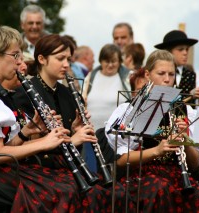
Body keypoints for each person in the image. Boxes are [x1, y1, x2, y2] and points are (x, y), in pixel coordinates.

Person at [0, 23, 101, 212]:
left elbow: (3, 147)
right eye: (15, 55)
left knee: (71, 184)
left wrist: (25, 133)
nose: (21, 62)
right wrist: (45, 142)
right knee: (60, 191)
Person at [13, 34, 126, 211]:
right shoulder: (23, 94)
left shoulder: (68, 94)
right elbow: (26, 145)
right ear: (42, 59)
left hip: (67, 166)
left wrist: (75, 130)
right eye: (60, 59)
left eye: (68, 59)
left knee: (116, 192)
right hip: (40, 168)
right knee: (89, 195)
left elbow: (69, 140)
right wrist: (73, 139)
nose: (67, 64)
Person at [105, 49, 199, 212]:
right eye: (161, 73)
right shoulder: (130, 110)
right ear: (147, 74)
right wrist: (157, 151)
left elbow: (194, 164)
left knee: (197, 195)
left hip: (176, 174)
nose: (167, 79)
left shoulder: (184, 110)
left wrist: (186, 142)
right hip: (142, 175)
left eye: (172, 74)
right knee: (160, 189)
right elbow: (122, 160)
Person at [82, 43, 131, 129]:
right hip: (91, 134)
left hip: (117, 136)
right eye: (107, 61)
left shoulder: (128, 78)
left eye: (114, 61)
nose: (110, 65)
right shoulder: (90, 77)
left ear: (120, 62)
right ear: (100, 61)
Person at [154, 30, 199, 104]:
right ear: (168, 52)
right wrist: (190, 95)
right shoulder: (157, 73)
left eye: (187, 49)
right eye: (180, 49)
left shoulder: (195, 76)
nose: (185, 53)